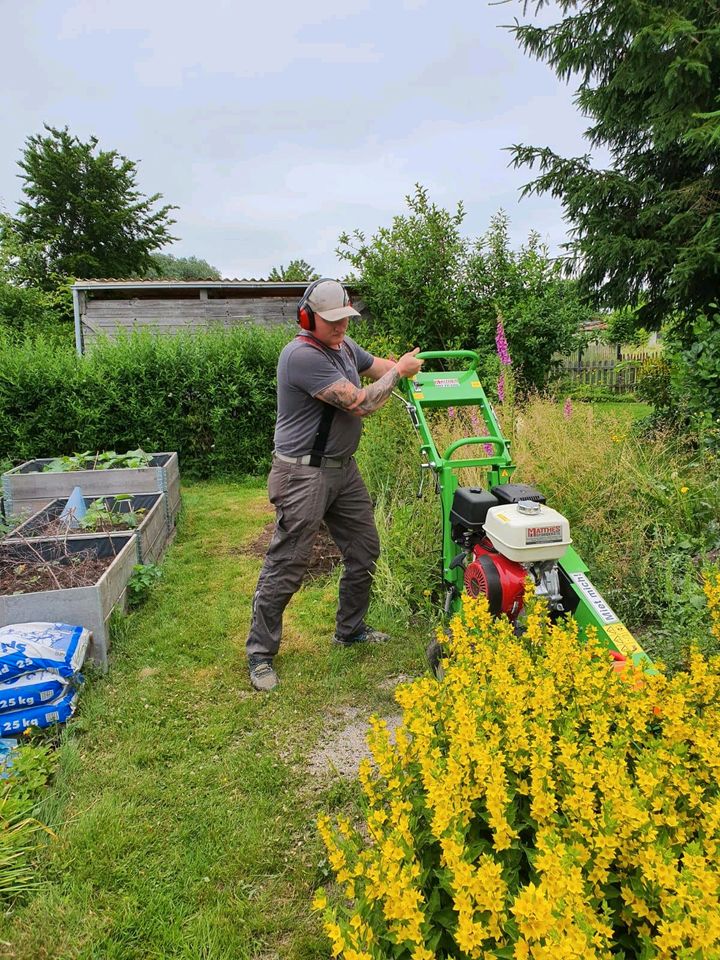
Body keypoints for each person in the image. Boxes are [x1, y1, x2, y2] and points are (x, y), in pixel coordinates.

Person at [246, 278, 424, 692]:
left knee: (364, 549)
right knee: (288, 564)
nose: (341, 327)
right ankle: (260, 654)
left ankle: (350, 630)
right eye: (332, 321)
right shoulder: (301, 356)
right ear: (308, 319)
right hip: (302, 474)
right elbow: (363, 403)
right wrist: (399, 373)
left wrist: (408, 368)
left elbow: (376, 366)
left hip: (343, 470)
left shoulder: (343, 347)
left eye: (345, 318)